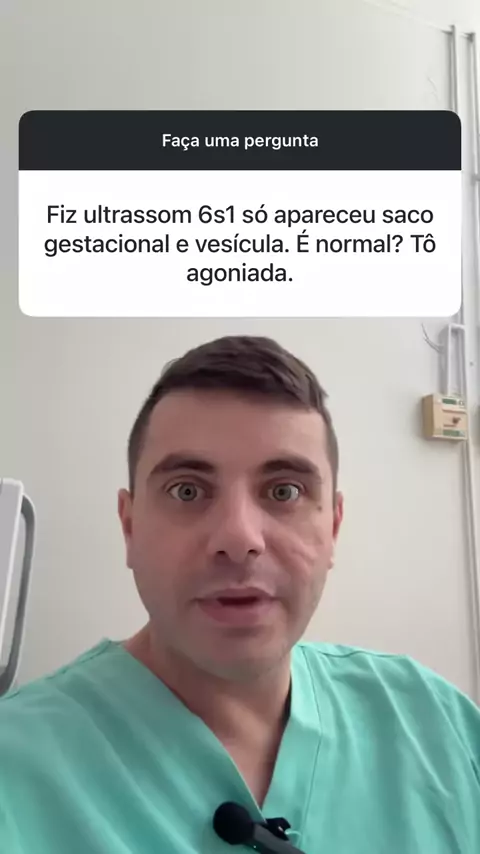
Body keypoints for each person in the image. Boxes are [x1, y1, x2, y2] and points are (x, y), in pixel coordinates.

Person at [0, 334, 479, 854]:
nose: (239, 538)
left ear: (334, 527)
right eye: (187, 490)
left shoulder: (438, 727)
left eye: (284, 491)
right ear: (129, 526)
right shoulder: (16, 769)